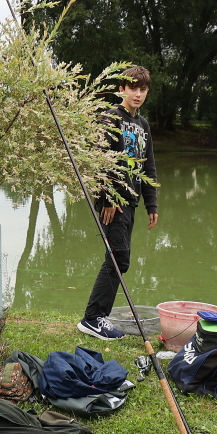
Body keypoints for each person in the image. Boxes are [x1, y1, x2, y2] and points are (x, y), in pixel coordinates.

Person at [78, 65, 159, 340]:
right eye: (133, 88)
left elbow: (148, 166)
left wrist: (152, 204)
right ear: (121, 89)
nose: (138, 94)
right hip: (113, 202)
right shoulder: (110, 118)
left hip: (131, 201)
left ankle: (96, 316)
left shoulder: (143, 125)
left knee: (118, 258)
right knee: (118, 257)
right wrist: (109, 197)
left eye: (143, 89)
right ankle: (93, 318)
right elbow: (100, 161)